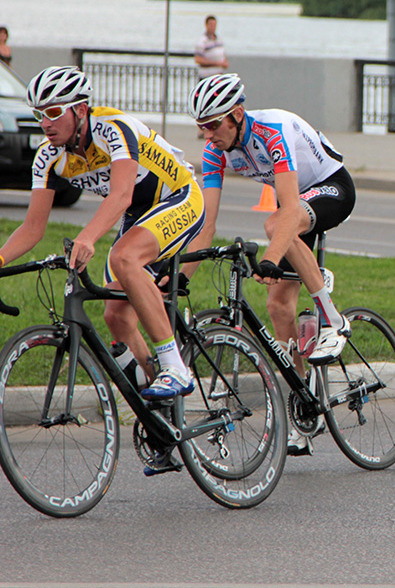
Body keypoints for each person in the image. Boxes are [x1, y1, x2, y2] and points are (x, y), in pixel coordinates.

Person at [0, 66, 207, 418]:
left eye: (53, 112)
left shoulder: (113, 129)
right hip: (139, 214)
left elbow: (121, 195)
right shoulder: (48, 157)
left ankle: (175, 366)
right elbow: (33, 228)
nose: (45, 123)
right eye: (39, 114)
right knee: (116, 316)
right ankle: (162, 415)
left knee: (124, 257)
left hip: (178, 196)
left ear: (80, 109)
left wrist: (87, 238)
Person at [182, 73, 355, 456]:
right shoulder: (215, 151)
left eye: (213, 124)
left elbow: (290, 210)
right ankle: (304, 407)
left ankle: (334, 319)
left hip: (332, 189)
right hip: (295, 203)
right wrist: (179, 278)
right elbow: (206, 226)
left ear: (236, 114)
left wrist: (270, 259)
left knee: (277, 225)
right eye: (201, 126)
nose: (208, 134)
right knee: (278, 307)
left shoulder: (272, 129)